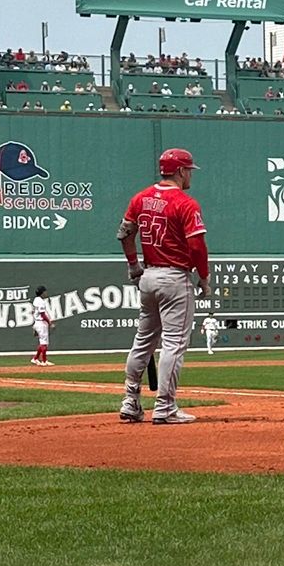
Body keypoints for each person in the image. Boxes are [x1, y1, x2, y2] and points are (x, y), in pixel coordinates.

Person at [117, 148, 208, 424]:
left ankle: (130, 401)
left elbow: (124, 233)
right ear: (180, 171)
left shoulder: (140, 198)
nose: (190, 174)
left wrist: (133, 265)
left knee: (143, 341)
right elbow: (197, 246)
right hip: (174, 277)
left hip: (148, 275)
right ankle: (165, 406)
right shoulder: (185, 203)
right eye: (188, 170)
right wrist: (204, 276)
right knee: (173, 344)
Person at [31, 284, 53, 366]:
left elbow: (33, 312)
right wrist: (50, 323)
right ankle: (44, 361)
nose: (46, 293)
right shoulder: (41, 301)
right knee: (44, 343)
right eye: (45, 292)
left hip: (37, 322)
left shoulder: (36, 300)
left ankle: (35, 358)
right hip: (41, 323)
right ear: (42, 293)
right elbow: (42, 315)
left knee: (43, 342)